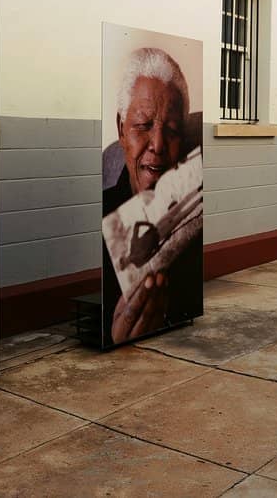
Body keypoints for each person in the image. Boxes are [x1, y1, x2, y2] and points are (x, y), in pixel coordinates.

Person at [102, 47, 202, 345]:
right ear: (121, 129)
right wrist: (114, 337)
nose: (157, 144)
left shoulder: (199, 224)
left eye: (171, 130)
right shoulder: (100, 216)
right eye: (144, 126)